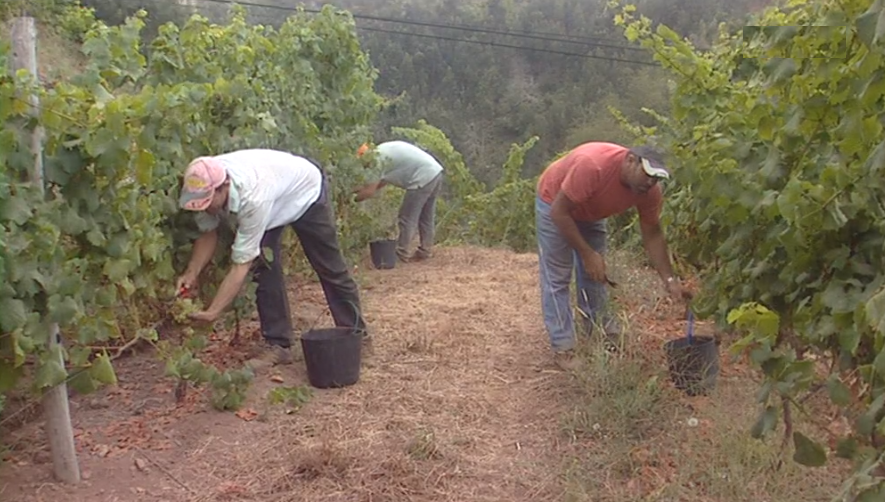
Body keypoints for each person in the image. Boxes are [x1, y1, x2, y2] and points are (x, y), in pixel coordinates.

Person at [176, 149, 369, 368]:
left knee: (329, 267)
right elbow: (208, 232)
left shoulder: (254, 197)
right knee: (264, 267)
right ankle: (279, 345)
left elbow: (240, 266)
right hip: (276, 192)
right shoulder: (202, 183)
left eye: (208, 202)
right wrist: (191, 272)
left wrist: (213, 312)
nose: (205, 207)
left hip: (306, 192)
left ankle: (356, 335)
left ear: (225, 187)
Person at [535, 142, 692, 369]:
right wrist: (587, 253)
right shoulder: (592, 166)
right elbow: (559, 211)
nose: (650, 182)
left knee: (596, 276)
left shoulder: (648, 192)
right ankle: (564, 348)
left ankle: (601, 334)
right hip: (555, 202)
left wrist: (669, 280)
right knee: (557, 277)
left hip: (592, 211)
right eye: (647, 174)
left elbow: (652, 234)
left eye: (656, 178)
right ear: (630, 160)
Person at [352, 140, 445, 262]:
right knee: (426, 216)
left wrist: (351, 200)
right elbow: (379, 183)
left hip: (422, 177)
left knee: (407, 217)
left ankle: (402, 253)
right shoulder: (381, 152)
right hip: (435, 172)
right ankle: (425, 251)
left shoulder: (376, 161)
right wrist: (353, 189)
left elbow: (369, 191)